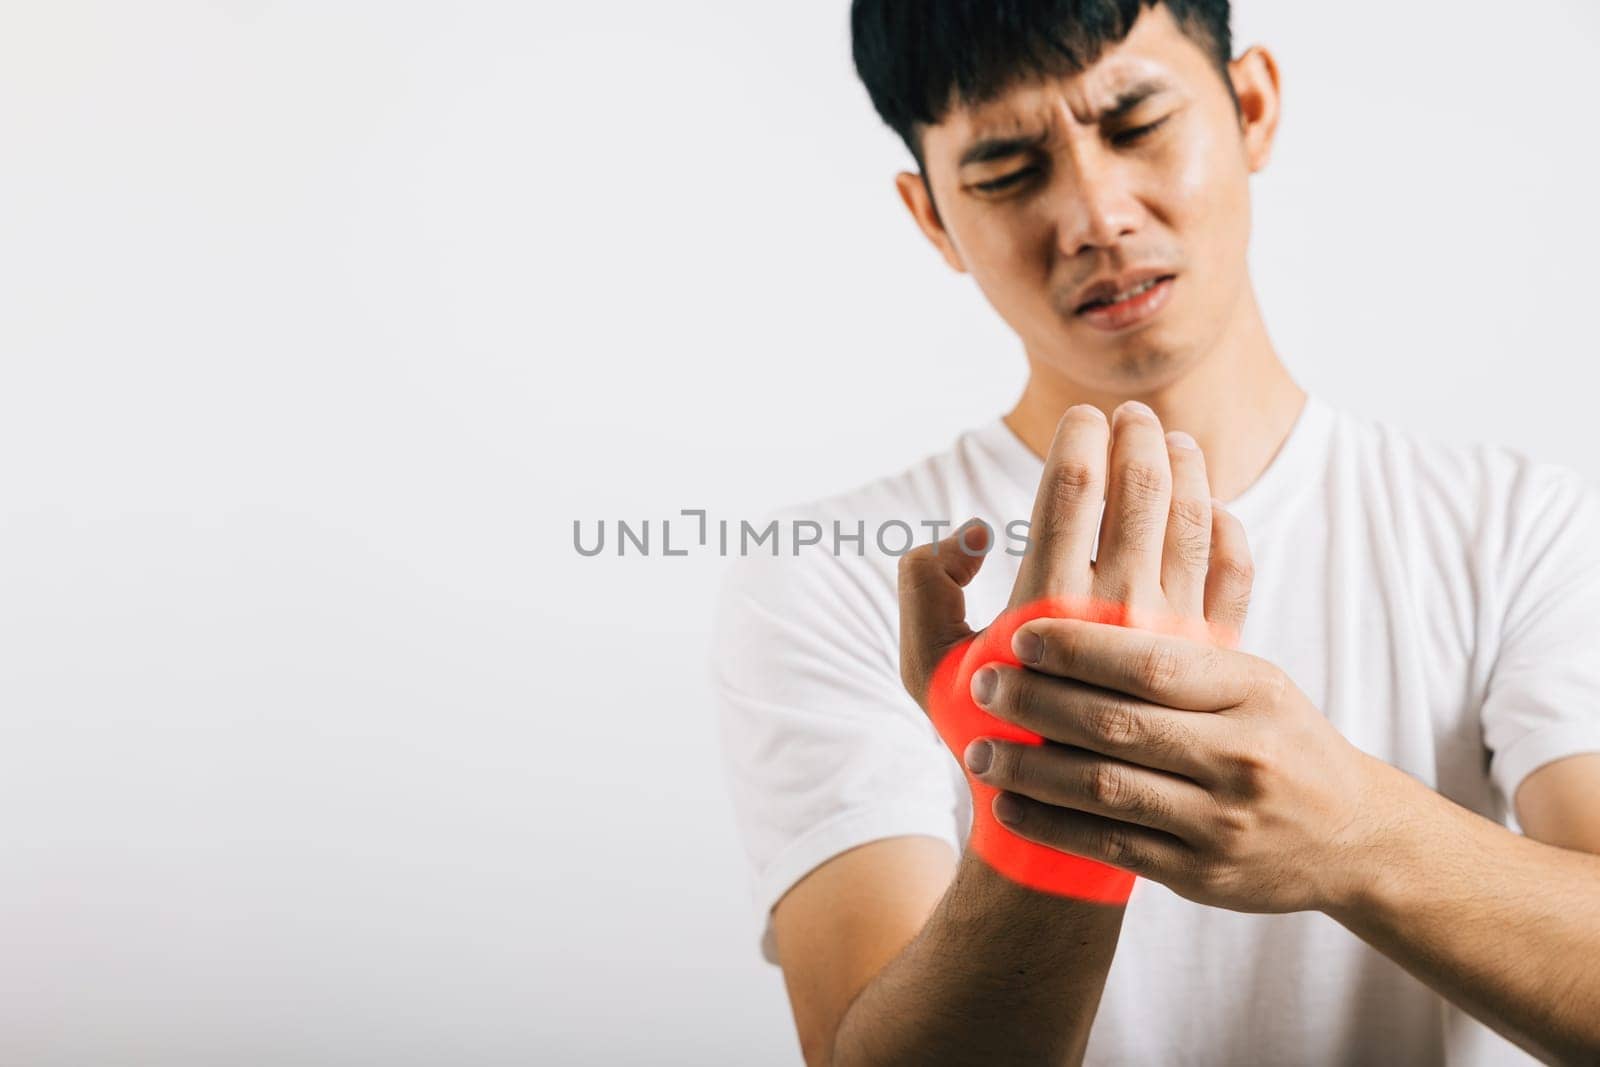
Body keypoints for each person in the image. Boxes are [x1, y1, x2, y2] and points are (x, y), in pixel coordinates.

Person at [711, 2, 1600, 1063]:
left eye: (1134, 123)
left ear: (1252, 106)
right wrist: (1047, 818)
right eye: (1003, 170)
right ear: (931, 218)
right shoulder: (839, 580)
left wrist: (1350, 826)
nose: (1094, 213)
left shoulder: (1517, 528)